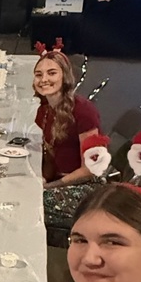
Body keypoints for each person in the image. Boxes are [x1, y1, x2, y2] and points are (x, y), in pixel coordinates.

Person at [33, 44, 101, 187]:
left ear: (65, 77)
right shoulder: (44, 109)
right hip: (55, 178)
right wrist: (43, 178)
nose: (43, 79)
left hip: (79, 185)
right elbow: (50, 153)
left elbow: (89, 170)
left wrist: (49, 186)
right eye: (38, 75)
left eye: (52, 73)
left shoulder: (84, 111)